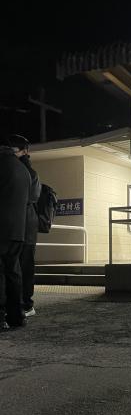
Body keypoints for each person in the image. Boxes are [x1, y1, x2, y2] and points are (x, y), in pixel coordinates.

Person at [7, 135, 41, 317]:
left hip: (26, 225)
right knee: (16, 267)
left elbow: (32, 196)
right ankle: (17, 304)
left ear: (25, 151)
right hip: (19, 224)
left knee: (25, 266)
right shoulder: (19, 169)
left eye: (15, 150)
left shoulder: (29, 172)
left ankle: (27, 304)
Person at [0, 142, 31, 331]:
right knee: (13, 272)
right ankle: (16, 316)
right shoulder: (23, 170)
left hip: (1, 227)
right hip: (18, 231)